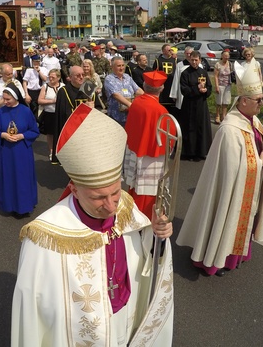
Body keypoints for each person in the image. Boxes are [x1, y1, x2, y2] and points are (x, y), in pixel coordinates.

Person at [11, 105, 174, 345]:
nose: (110, 206)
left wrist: (158, 236)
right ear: (74, 190)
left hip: (124, 315)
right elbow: (32, 307)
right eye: (98, 198)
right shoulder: (45, 236)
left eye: (115, 193)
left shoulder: (125, 206)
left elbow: (143, 254)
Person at [176, 61, 263, 276]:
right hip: (231, 190)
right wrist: (261, 162)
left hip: (245, 190)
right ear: (245, 100)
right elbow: (234, 172)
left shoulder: (253, 120)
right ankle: (215, 259)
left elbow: (256, 148)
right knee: (225, 216)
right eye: (258, 100)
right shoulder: (230, 129)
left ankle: (235, 254)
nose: (262, 104)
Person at [123, 71, 176, 218]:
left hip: (136, 150)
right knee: (149, 195)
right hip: (152, 157)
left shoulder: (137, 102)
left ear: (144, 85)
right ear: (162, 88)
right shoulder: (160, 111)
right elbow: (170, 137)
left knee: (135, 188)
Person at [0, 83, 39, 217]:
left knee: (23, 178)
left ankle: (24, 205)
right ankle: (10, 205)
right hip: (7, 152)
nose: (5, 102)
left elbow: (34, 130)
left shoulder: (26, 111)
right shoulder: (0, 113)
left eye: (8, 99)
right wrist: (2, 135)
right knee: (9, 178)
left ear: (15, 97)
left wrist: (22, 135)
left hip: (22, 151)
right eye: (4, 99)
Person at [52, 65, 95, 165]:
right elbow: (65, 115)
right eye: (77, 75)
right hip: (73, 133)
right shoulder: (64, 91)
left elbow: (98, 108)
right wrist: (84, 109)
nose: (81, 77)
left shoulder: (88, 87)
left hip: (88, 130)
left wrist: (93, 108)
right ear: (70, 77)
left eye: (83, 75)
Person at [179, 51, 212, 161]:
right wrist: (196, 89)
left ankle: (200, 152)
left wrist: (206, 90)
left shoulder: (203, 72)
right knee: (190, 128)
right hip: (189, 104)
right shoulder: (185, 73)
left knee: (201, 127)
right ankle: (190, 152)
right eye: (192, 60)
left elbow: (209, 87)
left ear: (200, 60)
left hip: (201, 104)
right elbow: (184, 90)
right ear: (189, 60)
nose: (194, 62)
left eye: (196, 60)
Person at [103, 56, 143, 126]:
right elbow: (115, 94)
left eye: (122, 65)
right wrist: (130, 105)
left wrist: (147, 97)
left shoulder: (127, 77)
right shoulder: (109, 79)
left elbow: (137, 90)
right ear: (112, 67)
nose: (121, 68)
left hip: (130, 116)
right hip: (116, 117)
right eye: (118, 66)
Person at [37, 68, 64, 161]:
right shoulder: (45, 87)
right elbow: (40, 100)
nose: (50, 79)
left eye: (53, 77)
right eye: (50, 77)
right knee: (50, 134)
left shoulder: (63, 86)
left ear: (58, 78)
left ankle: (61, 151)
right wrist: (52, 101)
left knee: (61, 133)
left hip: (60, 114)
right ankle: (52, 152)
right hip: (49, 113)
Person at [151, 44, 177, 114]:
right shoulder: (158, 61)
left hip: (171, 85)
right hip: (162, 86)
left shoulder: (175, 60)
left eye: (171, 50)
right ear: (163, 51)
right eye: (168, 50)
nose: (170, 51)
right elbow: (154, 74)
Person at [213, 50, 233, 124]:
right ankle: (217, 115)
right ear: (222, 56)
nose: (226, 57)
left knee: (226, 101)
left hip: (228, 85)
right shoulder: (218, 64)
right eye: (225, 56)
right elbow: (215, 76)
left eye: (227, 56)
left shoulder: (230, 64)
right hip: (220, 84)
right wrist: (217, 86)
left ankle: (223, 115)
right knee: (219, 102)